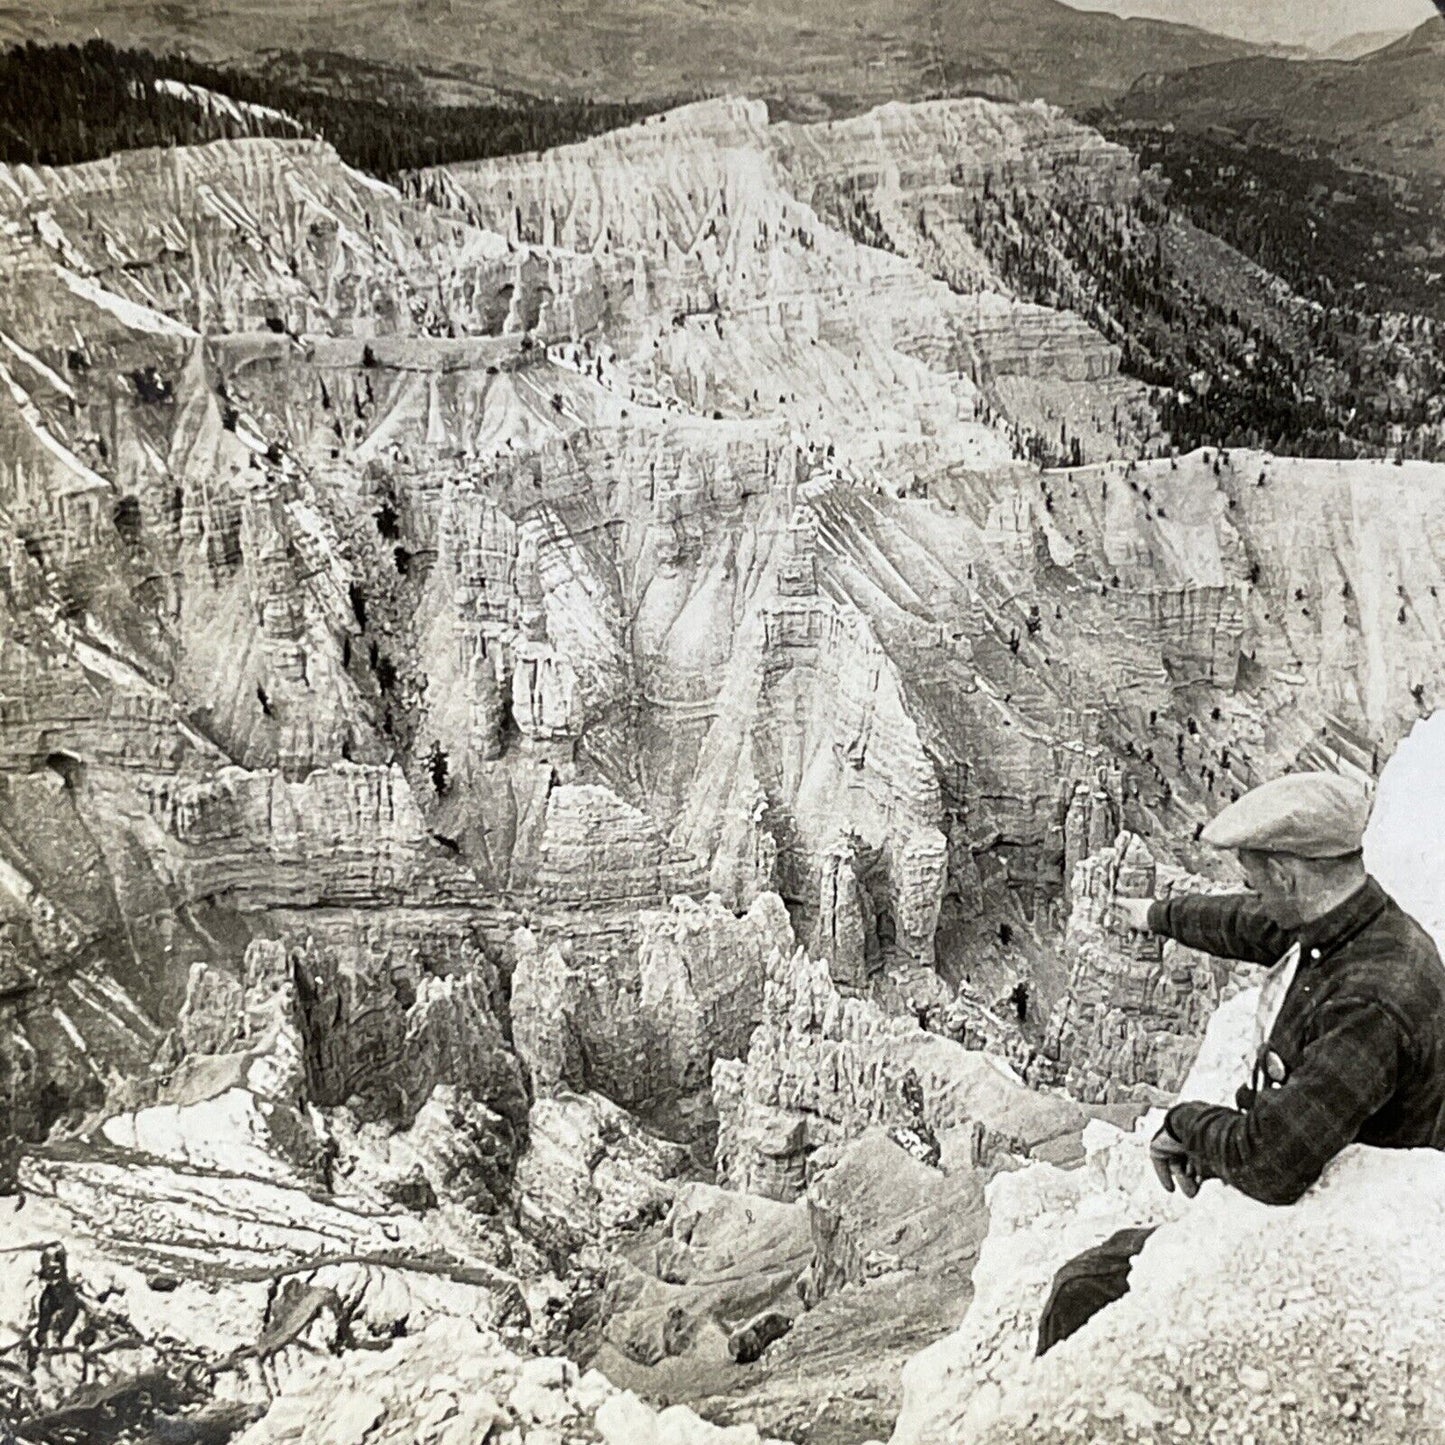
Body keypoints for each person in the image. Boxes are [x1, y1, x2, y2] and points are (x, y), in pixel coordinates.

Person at [1036, 771, 1445, 1356]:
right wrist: (1154, 915)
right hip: (1332, 1163)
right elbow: (1247, 925)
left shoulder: (1369, 1003)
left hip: (1348, 1221)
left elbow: (1273, 1162)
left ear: (1286, 873)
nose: (1253, 895)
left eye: (1256, 881)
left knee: (1082, 1287)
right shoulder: (1358, 923)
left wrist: (1186, 1125)